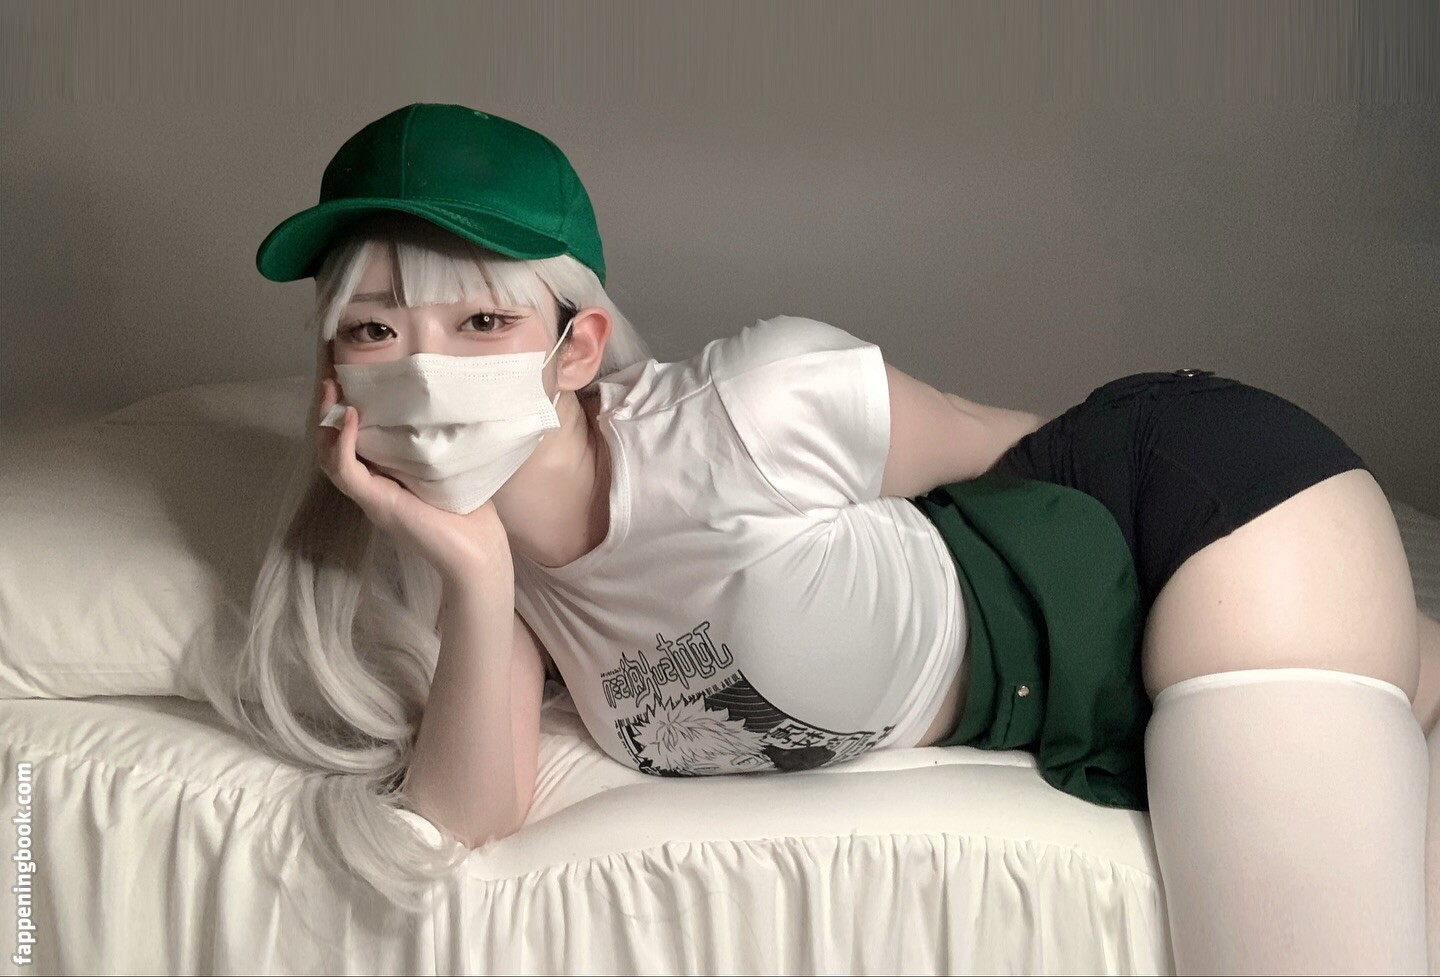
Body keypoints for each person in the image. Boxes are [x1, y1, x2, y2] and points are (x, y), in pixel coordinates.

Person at [217, 102, 1440, 973]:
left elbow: (1036, 450)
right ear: (332, 370)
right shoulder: (479, 579)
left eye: (481, 320)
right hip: (1104, 678)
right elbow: (467, 816)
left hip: (1189, 518)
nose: (424, 367)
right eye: (373, 330)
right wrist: (478, 573)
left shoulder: (753, 411)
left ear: (575, 347)